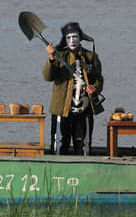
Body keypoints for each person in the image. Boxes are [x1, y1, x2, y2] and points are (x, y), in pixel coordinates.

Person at [43, 22, 103, 155]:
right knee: (58, 144)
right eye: (68, 37)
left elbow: (99, 79)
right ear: (65, 39)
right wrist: (52, 57)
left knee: (84, 146)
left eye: (75, 37)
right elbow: (48, 76)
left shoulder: (90, 57)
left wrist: (95, 88)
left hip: (84, 110)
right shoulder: (59, 56)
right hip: (62, 110)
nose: (72, 40)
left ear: (80, 38)